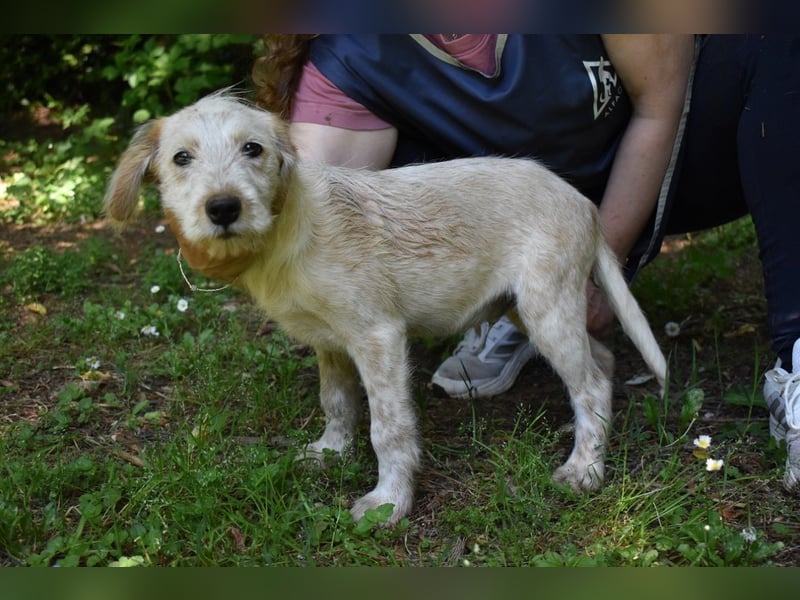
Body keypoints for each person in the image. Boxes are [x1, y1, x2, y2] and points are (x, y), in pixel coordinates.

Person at [251, 34, 800, 493]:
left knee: (781, 25)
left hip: (666, 157)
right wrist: (236, 229)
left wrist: (594, 262)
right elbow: (316, 209)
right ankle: (500, 298)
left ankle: (794, 354)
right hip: (499, 210)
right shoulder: (349, 45)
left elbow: (661, 106)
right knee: (369, 192)